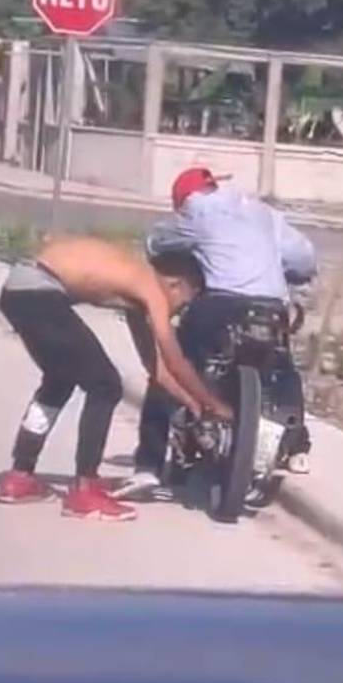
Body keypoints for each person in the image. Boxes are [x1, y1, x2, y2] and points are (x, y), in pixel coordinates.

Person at [113, 167, 317, 501]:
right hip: (271, 306)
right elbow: (304, 259)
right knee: (281, 367)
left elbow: (156, 243)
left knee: (171, 367)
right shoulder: (263, 211)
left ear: (183, 199)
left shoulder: (196, 211)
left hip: (220, 305)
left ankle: (148, 466)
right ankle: (297, 448)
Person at [0, 235, 232, 522]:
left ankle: (19, 478)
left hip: (17, 289)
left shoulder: (135, 292)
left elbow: (156, 368)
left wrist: (193, 404)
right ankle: (84, 490)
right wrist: (213, 403)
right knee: (105, 385)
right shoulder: (151, 285)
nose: (179, 312)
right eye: (184, 303)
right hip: (40, 290)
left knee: (59, 380)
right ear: (176, 284)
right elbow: (174, 359)